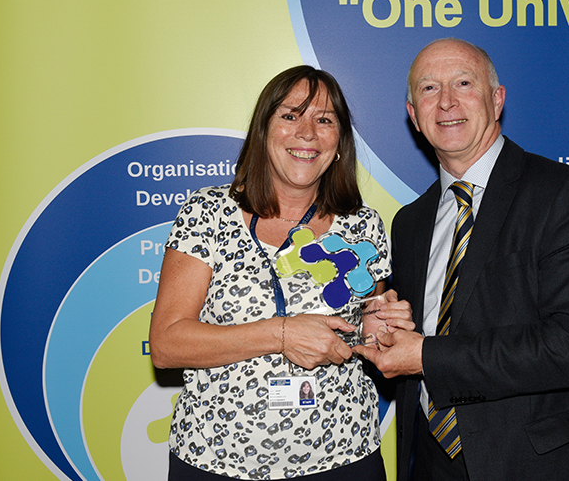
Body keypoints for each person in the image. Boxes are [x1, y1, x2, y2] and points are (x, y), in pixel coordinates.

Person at [354, 38, 569, 480]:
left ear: (496, 99)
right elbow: (409, 348)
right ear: (414, 116)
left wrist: (427, 355)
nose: (446, 101)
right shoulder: (409, 222)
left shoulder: (564, 193)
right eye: (428, 89)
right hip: (430, 465)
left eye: (463, 83)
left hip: (541, 466)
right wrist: (384, 332)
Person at [150, 65, 412, 480]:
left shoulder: (363, 226)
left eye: (324, 120)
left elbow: (366, 333)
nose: (307, 132)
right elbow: (166, 344)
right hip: (217, 459)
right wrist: (282, 333)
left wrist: (380, 329)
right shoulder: (208, 213)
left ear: (339, 142)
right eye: (290, 115)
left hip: (342, 457)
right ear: (263, 131)